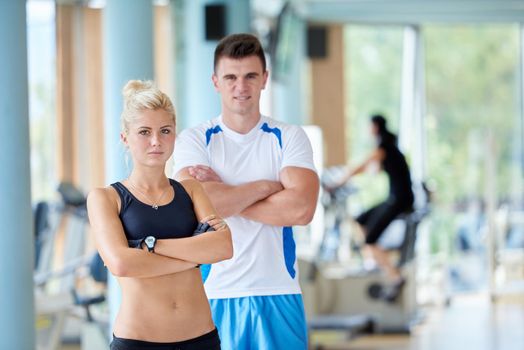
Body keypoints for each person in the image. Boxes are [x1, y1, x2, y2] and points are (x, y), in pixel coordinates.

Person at [172, 33, 319, 349]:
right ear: (216, 81)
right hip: (215, 294)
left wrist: (221, 195)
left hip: (279, 291)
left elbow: (301, 210)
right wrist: (267, 187)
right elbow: (190, 206)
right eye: (231, 77)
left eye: (251, 76)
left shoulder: (289, 137)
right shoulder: (195, 140)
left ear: (265, 79)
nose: (241, 86)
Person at [87, 80, 233, 350]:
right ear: (125, 138)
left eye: (165, 131)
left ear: (174, 134)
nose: (156, 141)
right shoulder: (105, 198)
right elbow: (121, 264)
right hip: (138, 341)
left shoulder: (191, 189)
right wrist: (192, 257)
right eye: (144, 132)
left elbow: (223, 246)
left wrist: (148, 247)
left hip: (201, 339)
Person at [335, 114, 414, 302]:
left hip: (399, 200)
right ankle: (372, 260)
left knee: (370, 240)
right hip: (396, 198)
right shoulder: (388, 146)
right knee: (360, 220)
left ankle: (395, 276)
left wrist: (340, 181)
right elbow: (373, 169)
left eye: (369, 126)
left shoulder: (384, 147)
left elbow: (363, 166)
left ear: (376, 127)